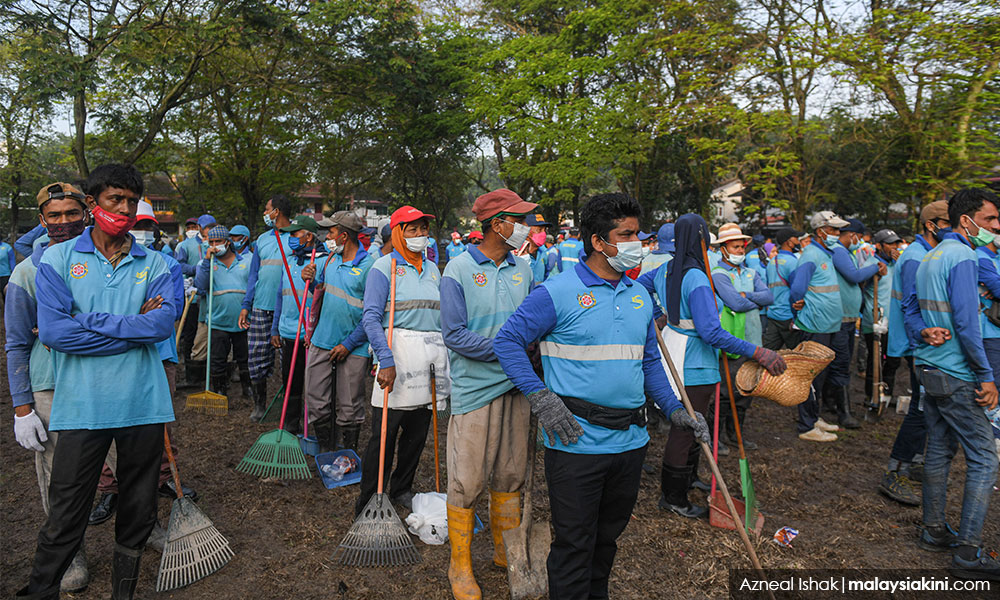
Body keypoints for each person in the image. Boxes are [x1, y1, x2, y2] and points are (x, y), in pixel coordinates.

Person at [494, 195, 709, 599]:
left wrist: (676, 410)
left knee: (606, 542)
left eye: (638, 235)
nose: (636, 245)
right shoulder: (556, 292)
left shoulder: (640, 295)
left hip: (630, 443)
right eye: (625, 236)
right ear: (597, 241)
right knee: (574, 545)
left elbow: (648, 364)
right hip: (576, 443)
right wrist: (540, 397)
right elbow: (507, 342)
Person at [15, 163, 176, 600]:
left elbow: (160, 326)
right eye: (114, 199)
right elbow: (52, 332)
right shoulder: (57, 260)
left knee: (139, 507)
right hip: (82, 405)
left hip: (143, 403)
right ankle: (41, 590)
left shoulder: (158, 262)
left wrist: (85, 322)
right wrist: (130, 329)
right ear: (93, 204)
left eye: (130, 201)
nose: (123, 209)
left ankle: (122, 593)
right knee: (66, 508)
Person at [638, 214, 785, 518]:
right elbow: (711, 332)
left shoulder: (666, 268)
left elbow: (638, 283)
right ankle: (673, 496)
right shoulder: (697, 278)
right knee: (686, 428)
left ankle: (688, 479)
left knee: (694, 423)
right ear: (702, 240)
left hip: (677, 351)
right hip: (694, 361)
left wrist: (659, 313)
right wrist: (757, 352)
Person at [440, 189, 536, 600]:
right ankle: (459, 564)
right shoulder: (457, 270)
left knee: (511, 472)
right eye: (519, 219)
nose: (526, 227)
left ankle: (504, 547)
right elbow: (454, 334)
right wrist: (508, 350)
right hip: (475, 389)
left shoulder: (525, 269)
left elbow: (534, 320)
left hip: (517, 387)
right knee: (467, 478)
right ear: (498, 224)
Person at [906, 187, 1000, 581]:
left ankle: (932, 530)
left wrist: (924, 332)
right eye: (991, 219)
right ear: (968, 220)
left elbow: (910, 308)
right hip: (957, 374)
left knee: (940, 451)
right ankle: (967, 553)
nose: (996, 226)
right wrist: (986, 376)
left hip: (929, 368)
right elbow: (966, 323)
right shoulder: (964, 255)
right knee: (985, 457)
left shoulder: (930, 255)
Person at [7, 183, 91, 594]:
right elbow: (17, 343)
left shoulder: (105, 262)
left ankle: (146, 526)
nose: (63, 223)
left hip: (106, 380)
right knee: (60, 476)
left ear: (85, 214)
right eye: (53, 216)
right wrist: (22, 407)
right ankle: (69, 550)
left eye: (70, 213)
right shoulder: (26, 273)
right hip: (51, 386)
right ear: (42, 220)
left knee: (128, 464)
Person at [357, 205, 445, 514]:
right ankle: (370, 498)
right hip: (397, 358)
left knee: (417, 434)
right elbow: (370, 318)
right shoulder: (383, 267)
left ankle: (402, 488)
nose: (421, 235)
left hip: (429, 361)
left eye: (424, 229)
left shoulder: (433, 269)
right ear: (398, 233)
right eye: (413, 229)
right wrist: (386, 359)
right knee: (384, 435)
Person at [878, 200, 949, 506]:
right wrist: (920, 341)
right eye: (949, 223)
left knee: (928, 407)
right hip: (920, 345)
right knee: (920, 407)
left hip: (928, 346)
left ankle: (916, 460)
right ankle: (896, 469)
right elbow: (912, 306)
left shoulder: (930, 254)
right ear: (931, 225)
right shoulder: (915, 258)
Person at [302, 211, 375, 452]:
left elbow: (373, 314)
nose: (327, 236)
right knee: (315, 397)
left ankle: (348, 452)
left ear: (344, 235)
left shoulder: (369, 267)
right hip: (323, 340)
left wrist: (349, 344)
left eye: (331, 232)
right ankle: (326, 448)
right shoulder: (329, 260)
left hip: (355, 345)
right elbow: (317, 288)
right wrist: (309, 278)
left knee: (350, 403)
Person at [787, 210, 854, 441]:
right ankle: (806, 426)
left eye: (838, 230)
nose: (837, 233)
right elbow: (797, 289)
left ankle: (814, 417)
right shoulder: (811, 256)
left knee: (820, 377)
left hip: (828, 325)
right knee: (811, 376)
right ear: (820, 232)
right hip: (815, 325)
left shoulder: (825, 253)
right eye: (833, 230)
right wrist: (796, 309)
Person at [711, 223, 773, 453]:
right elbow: (734, 302)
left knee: (746, 393)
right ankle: (716, 437)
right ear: (723, 249)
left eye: (741, 247)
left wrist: (747, 297)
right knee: (726, 393)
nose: (740, 251)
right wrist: (753, 299)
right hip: (733, 342)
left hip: (754, 339)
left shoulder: (750, 272)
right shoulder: (718, 275)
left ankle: (736, 435)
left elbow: (770, 297)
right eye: (735, 247)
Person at [239, 194, 294, 421]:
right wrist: (246, 305)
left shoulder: (298, 238)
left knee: (288, 361)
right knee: (256, 357)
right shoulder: (262, 240)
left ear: (277, 212)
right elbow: (253, 275)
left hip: (290, 310)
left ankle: (289, 407)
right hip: (262, 307)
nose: (264, 213)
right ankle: (259, 405)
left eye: (267, 209)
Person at [826, 218, 884, 429]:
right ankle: (844, 412)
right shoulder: (839, 252)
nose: (859, 241)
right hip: (841, 317)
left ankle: (832, 403)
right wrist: (875, 267)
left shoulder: (847, 252)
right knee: (841, 363)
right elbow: (853, 276)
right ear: (852, 235)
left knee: (841, 362)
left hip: (849, 316)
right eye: (858, 237)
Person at [270, 215, 326, 435]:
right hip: (288, 331)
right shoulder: (289, 261)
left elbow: (324, 296)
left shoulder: (323, 260)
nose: (290, 238)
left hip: (312, 334)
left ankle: (316, 426)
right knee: (290, 381)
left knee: (313, 384)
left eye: (294, 234)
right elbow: (280, 295)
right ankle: (291, 424)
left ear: (308, 236)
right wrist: (275, 327)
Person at [196, 225, 251, 400]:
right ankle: (220, 390)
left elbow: (251, 288)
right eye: (210, 242)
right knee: (218, 358)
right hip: (217, 319)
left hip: (242, 319)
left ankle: (247, 388)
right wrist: (206, 262)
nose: (213, 245)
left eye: (217, 241)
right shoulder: (206, 263)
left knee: (244, 357)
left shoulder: (246, 261)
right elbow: (201, 286)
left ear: (227, 242)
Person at [860, 229, 903, 411]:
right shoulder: (871, 264)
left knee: (894, 360)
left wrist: (899, 261)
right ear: (878, 246)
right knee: (875, 359)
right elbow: (860, 287)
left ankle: (887, 393)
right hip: (876, 320)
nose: (894, 247)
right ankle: (872, 395)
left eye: (896, 243)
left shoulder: (896, 264)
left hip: (895, 320)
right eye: (890, 244)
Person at [174, 216, 204, 386]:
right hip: (190, 296)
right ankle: (190, 373)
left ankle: (203, 372)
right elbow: (180, 265)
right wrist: (195, 270)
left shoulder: (210, 244)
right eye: (189, 226)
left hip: (205, 297)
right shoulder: (183, 246)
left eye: (194, 226)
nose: (192, 229)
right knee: (189, 334)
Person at [763, 228, 803, 351]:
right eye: (796, 238)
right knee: (798, 356)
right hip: (788, 316)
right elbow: (797, 291)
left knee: (769, 353)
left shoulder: (771, 262)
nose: (798, 241)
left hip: (773, 314)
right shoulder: (793, 262)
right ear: (788, 242)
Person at [0, 234, 14, 298]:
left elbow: (12, 261)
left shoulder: (7, 247)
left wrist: (13, 273)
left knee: (6, 296)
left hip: (5, 275)